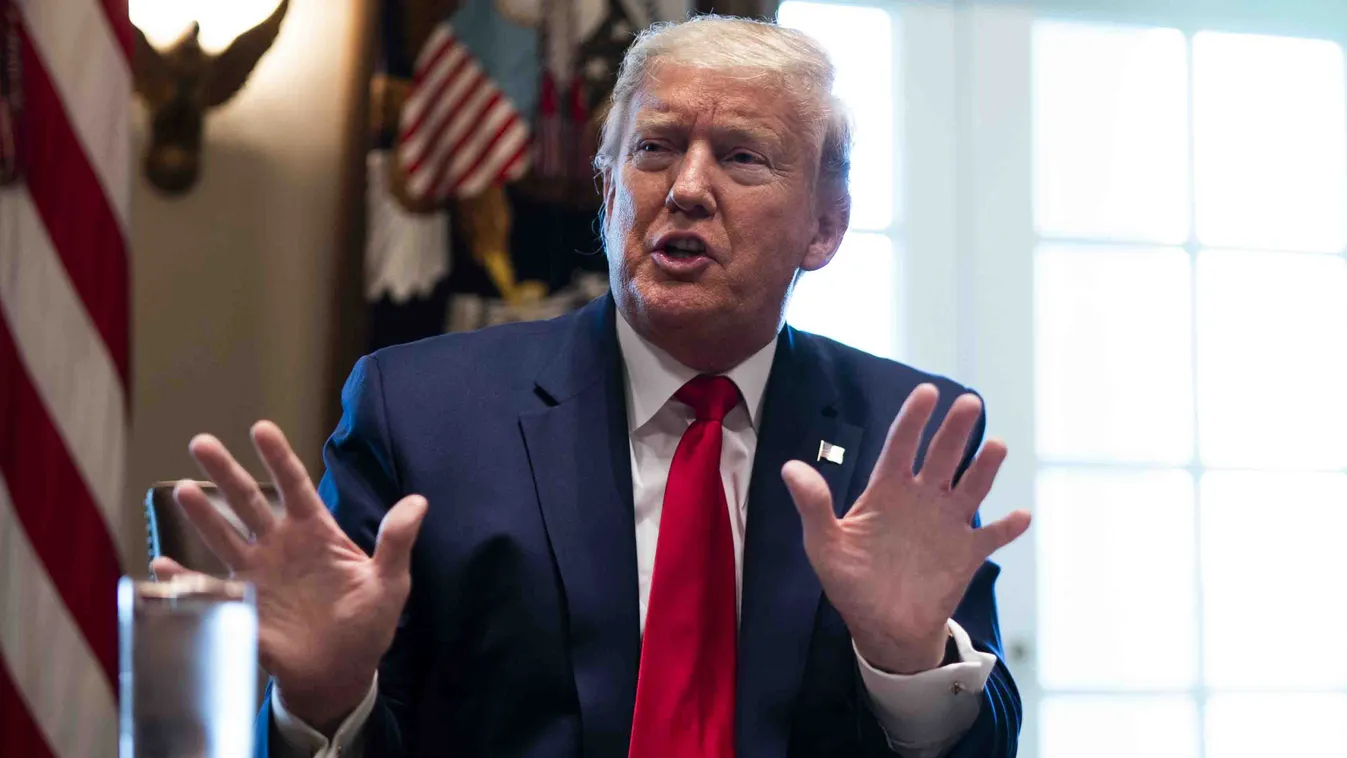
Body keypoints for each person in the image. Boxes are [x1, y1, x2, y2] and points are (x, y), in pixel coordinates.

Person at [154, 15, 1032, 758]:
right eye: (653, 149)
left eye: (741, 159)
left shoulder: (904, 436)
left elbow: (984, 742)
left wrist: (909, 663)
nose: (686, 188)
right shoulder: (420, 413)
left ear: (825, 226)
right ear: (608, 189)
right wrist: (326, 696)